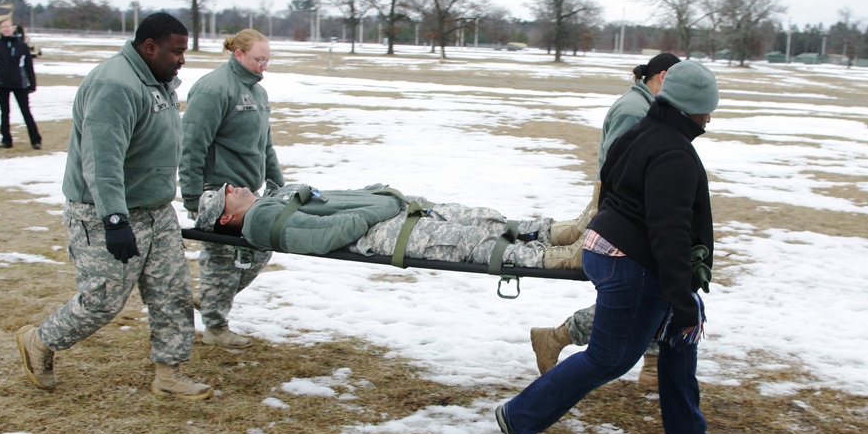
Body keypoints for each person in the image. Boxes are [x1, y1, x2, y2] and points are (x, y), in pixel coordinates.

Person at [496, 60, 729, 434]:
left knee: (678, 337)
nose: (709, 117)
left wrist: (681, 299)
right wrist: (681, 295)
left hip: (611, 249)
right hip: (632, 263)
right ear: (690, 106)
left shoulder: (643, 132)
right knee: (611, 357)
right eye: (707, 108)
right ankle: (519, 417)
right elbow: (667, 232)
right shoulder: (672, 153)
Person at [15, 12, 213, 401]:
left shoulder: (157, 82)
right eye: (177, 51)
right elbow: (101, 161)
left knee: (171, 293)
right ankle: (40, 341)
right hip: (107, 212)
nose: (182, 60)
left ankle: (169, 373)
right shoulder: (115, 85)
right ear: (149, 46)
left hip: (156, 210)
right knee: (102, 301)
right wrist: (114, 218)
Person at [530, 53, 682, 389]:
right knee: (636, 294)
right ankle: (558, 338)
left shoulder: (646, 107)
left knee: (651, 289)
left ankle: (651, 363)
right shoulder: (634, 110)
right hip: (622, 214)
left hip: (628, 212)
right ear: (664, 75)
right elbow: (621, 171)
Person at [194, 182, 582, 270]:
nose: (230, 186)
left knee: (476, 216)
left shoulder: (271, 200)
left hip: (392, 211)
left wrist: (377, 194)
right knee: (469, 242)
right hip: (381, 231)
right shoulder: (261, 222)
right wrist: (378, 209)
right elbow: (325, 234)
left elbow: (333, 198)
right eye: (222, 195)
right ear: (226, 218)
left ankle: (558, 230)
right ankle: (554, 258)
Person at [180, 29, 284, 349]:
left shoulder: (258, 92)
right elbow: (192, 145)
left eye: (267, 59)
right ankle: (215, 326)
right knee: (222, 259)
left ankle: (211, 300)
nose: (264, 65)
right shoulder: (214, 89)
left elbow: (264, 144)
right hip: (219, 191)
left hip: (249, 191)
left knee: (261, 247)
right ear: (238, 55)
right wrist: (193, 196)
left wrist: (277, 183)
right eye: (258, 59)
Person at [0, 20, 41, 149]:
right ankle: (6, 140)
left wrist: (32, 83)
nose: (6, 29)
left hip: (19, 84)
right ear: (0, 29)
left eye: (8, 27)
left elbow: (29, 66)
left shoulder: (22, 45)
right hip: (0, 84)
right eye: (3, 27)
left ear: (12, 28)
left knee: (26, 111)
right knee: (4, 112)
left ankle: (36, 140)